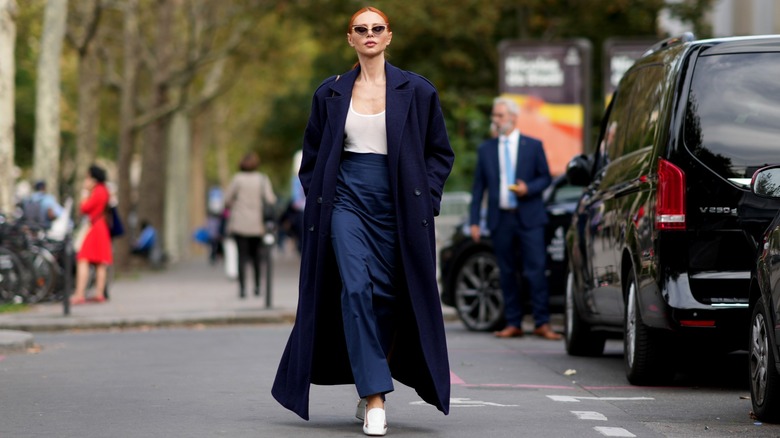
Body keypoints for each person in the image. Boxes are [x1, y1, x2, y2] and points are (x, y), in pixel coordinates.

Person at [272, 7, 455, 436]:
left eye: (377, 28)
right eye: (361, 29)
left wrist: (425, 199)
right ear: (350, 39)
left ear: (388, 37)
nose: (369, 34)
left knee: (389, 298)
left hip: (400, 206)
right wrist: (318, 199)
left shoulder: (419, 91)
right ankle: (375, 397)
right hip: (345, 201)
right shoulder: (330, 93)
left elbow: (439, 153)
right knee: (355, 287)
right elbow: (312, 157)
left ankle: (369, 385)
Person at [469, 97, 561, 340]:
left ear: (512, 117)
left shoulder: (532, 145)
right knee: (507, 272)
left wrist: (527, 188)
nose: (495, 120)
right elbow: (479, 188)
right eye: (494, 116)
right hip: (501, 220)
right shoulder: (486, 149)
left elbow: (545, 178)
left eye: (499, 115)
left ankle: (542, 322)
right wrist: (474, 221)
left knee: (536, 271)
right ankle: (514, 323)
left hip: (530, 218)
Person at [224, 151, 277, 298]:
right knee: (256, 257)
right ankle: (258, 286)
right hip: (257, 224)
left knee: (242, 256)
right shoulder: (262, 179)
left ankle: (242, 289)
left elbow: (227, 200)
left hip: (240, 223)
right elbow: (271, 199)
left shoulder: (237, 179)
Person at [70, 165, 112, 305]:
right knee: (101, 262)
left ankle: (79, 293)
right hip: (101, 226)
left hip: (94, 227)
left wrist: (84, 195)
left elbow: (85, 208)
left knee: (83, 259)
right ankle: (99, 293)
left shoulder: (96, 191)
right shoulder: (105, 190)